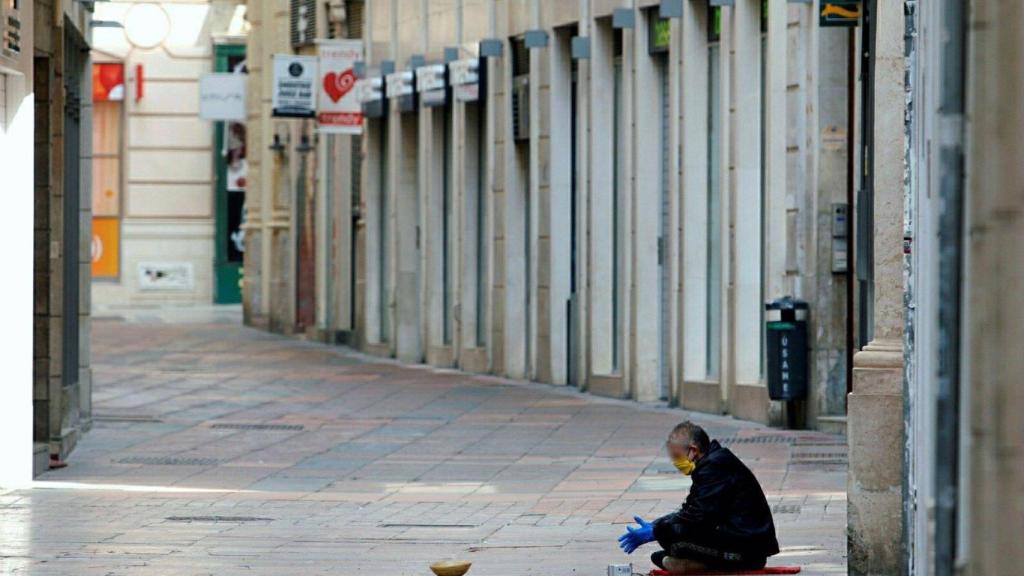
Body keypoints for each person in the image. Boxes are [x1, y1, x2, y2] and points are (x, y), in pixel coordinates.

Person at [618, 421, 779, 574]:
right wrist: (657, 524)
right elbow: (689, 510)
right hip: (740, 540)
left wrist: (657, 531)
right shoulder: (710, 464)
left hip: (748, 550)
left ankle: (701, 564)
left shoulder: (715, 467)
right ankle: (694, 563)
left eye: (677, 456)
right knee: (666, 544)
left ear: (693, 450)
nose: (676, 462)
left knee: (675, 542)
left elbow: (698, 517)